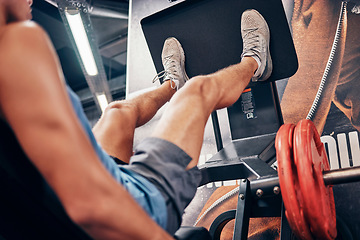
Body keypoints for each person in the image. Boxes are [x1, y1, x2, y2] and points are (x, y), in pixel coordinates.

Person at [0, 0, 272, 239]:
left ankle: (173, 85)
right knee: (197, 92)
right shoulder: (15, 43)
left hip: (94, 191)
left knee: (117, 114)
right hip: (131, 204)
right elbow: (89, 207)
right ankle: (256, 63)